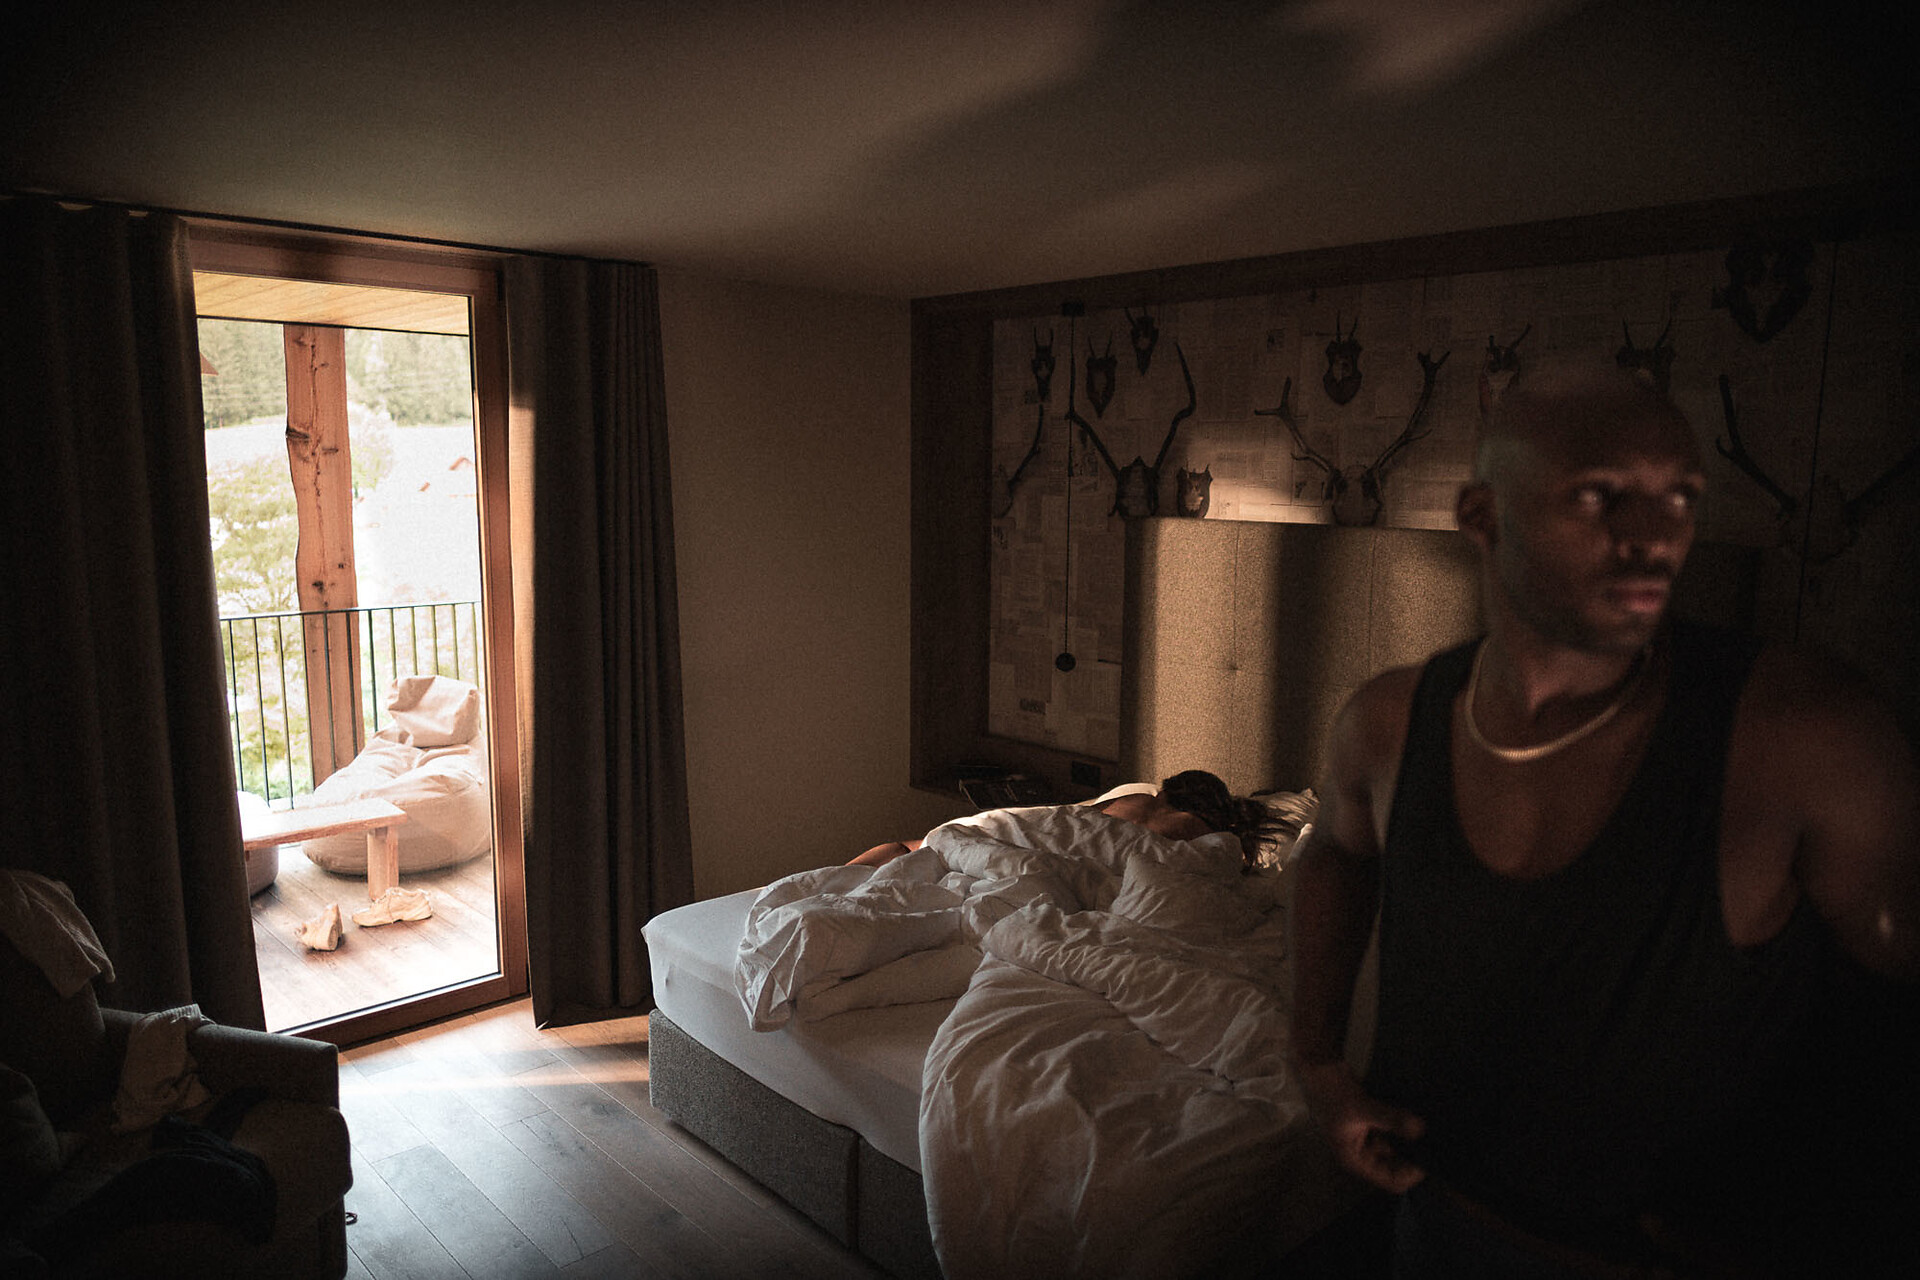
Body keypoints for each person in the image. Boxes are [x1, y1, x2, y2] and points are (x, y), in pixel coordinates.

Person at [1286, 357, 1918, 1277]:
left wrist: (1812, 1217)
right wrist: (1316, 1061)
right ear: (1482, 517)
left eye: (1680, 499)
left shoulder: (1801, 735)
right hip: (1435, 1218)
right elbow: (1337, 856)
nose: (1655, 539)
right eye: (1598, 497)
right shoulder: (1388, 721)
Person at [849, 769, 1278, 868]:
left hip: (1006, 827)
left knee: (910, 847)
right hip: (1044, 846)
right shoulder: (1199, 831)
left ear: (1168, 789)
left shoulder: (1137, 798)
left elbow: (1074, 818)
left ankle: (830, 879)